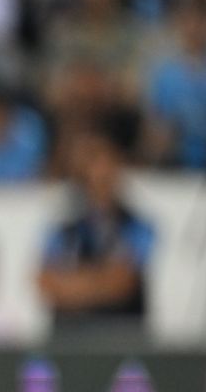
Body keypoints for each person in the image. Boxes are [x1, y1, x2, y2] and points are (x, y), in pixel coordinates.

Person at [37, 130, 155, 339]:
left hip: (122, 341)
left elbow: (122, 283)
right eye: (92, 163)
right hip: (69, 341)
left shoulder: (136, 224)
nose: (100, 173)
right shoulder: (64, 225)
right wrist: (99, 282)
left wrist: (72, 286)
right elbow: (46, 282)